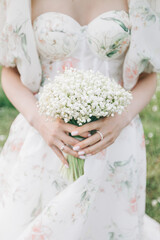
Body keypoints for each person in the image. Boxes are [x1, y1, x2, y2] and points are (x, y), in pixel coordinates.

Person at [0, 0, 160, 239]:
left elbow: (149, 74)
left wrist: (121, 119)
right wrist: (41, 122)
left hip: (115, 140)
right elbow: (9, 70)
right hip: (47, 139)